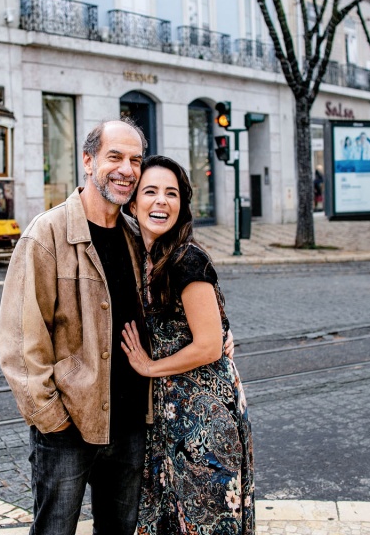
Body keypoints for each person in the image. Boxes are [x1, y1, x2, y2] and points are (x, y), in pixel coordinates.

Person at [0, 119, 150, 535]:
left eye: (135, 160)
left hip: (130, 423)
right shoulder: (46, 235)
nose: (127, 169)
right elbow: (19, 341)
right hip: (69, 428)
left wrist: (220, 336)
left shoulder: (137, 236)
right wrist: (52, 420)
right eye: (114, 157)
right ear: (88, 161)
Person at [121, 155, 255, 535]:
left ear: (182, 205)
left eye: (171, 193)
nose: (161, 201)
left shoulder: (187, 259)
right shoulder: (141, 257)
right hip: (166, 415)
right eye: (150, 192)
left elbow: (210, 346)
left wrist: (149, 366)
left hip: (205, 417)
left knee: (205, 522)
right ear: (133, 203)